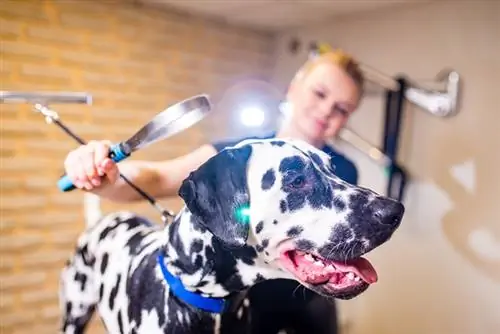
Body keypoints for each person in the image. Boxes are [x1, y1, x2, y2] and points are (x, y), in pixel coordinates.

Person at [63, 46, 365, 334]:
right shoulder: (238, 158)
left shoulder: (345, 171)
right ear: (293, 88)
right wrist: (107, 175)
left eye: (342, 109)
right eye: (320, 93)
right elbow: (156, 177)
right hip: (245, 304)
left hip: (310, 302)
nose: (326, 110)